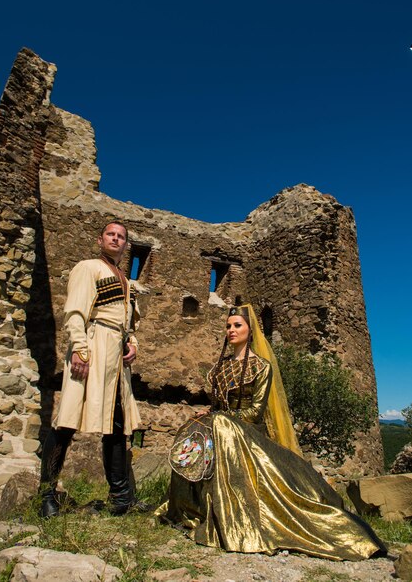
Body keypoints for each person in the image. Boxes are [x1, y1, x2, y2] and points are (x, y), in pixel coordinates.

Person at [158, 304, 387, 561]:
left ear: (251, 330)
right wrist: (209, 414)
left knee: (221, 427)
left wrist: (222, 417)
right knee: (190, 427)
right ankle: (192, 508)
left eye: (237, 325)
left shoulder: (260, 367)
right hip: (220, 424)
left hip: (245, 430)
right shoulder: (220, 367)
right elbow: (217, 405)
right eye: (228, 326)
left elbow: (255, 411)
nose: (231, 330)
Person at [39, 221, 147, 517]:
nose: (116, 239)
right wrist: (80, 349)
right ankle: (46, 495)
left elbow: (129, 322)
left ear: (126, 245)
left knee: (116, 425)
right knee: (67, 419)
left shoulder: (127, 281)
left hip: (117, 354)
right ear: (100, 240)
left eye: (122, 236)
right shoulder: (88, 268)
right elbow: (75, 310)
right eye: (111, 234)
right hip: (92, 343)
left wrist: (133, 343)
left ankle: (121, 498)